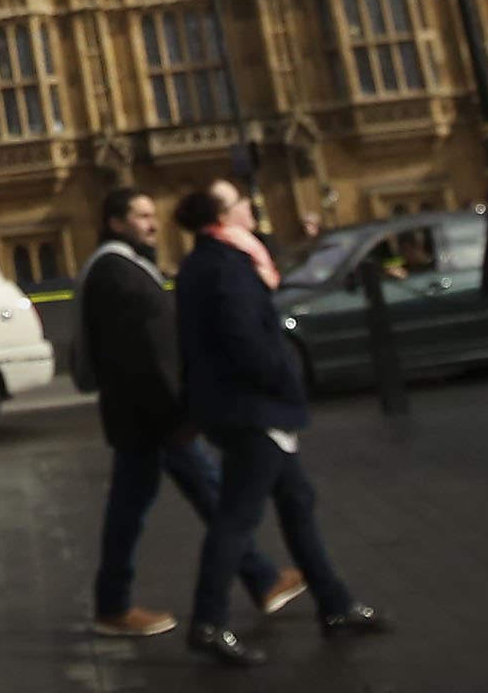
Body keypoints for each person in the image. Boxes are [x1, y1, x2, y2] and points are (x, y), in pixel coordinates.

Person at [170, 180, 387, 666]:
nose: (252, 205)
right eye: (241, 201)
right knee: (237, 516)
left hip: (236, 406)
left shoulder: (201, 264)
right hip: (253, 408)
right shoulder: (228, 266)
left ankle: (335, 603)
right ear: (223, 216)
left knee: (297, 501)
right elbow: (246, 341)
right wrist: (284, 381)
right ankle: (208, 622)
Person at [75, 187, 296, 637]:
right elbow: (144, 358)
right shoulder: (119, 274)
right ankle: (115, 606)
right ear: (116, 223)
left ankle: (260, 578)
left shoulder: (124, 267)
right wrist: (178, 416)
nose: (152, 224)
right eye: (140, 216)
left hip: (142, 417)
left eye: (152, 215)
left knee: (174, 499)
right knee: (196, 497)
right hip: (151, 418)